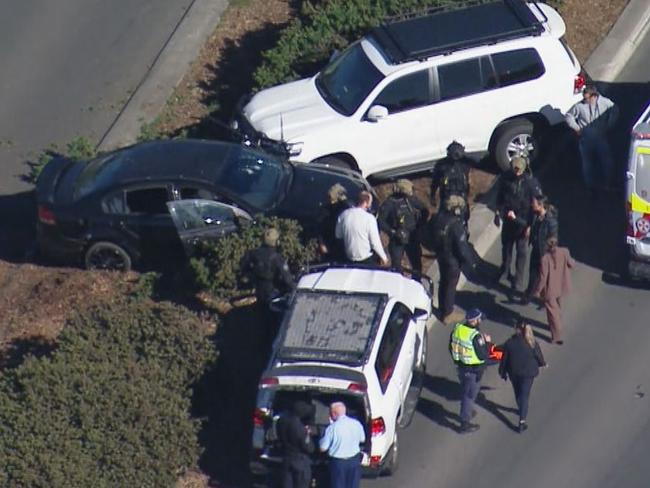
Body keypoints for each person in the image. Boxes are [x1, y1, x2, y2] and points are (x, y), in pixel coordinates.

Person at [494, 156, 542, 294]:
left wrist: (530, 226)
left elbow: (537, 207)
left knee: (521, 253)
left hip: (523, 222)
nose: (516, 172)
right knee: (506, 248)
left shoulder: (531, 184)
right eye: (514, 169)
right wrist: (497, 213)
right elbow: (500, 196)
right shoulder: (506, 178)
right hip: (508, 221)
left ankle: (519, 279)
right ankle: (504, 270)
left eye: (519, 170)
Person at [565, 84, 619, 194]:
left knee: (607, 161)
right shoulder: (579, 106)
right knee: (587, 164)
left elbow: (615, 109)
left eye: (587, 98)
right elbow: (568, 116)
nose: (584, 100)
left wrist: (609, 124)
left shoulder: (604, 102)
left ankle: (608, 183)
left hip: (600, 138)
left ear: (594, 97)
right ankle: (590, 186)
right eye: (584, 98)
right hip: (586, 140)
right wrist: (577, 128)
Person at [432, 195, 476, 324]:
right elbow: (462, 249)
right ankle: (448, 313)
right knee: (450, 286)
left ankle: (442, 308)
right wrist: (471, 263)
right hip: (452, 261)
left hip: (441, 256)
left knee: (443, 282)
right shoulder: (456, 225)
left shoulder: (438, 218)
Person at [498, 320, 547, 433]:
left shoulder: (509, 343)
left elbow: (504, 360)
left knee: (518, 393)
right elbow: (538, 355)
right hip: (528, 373)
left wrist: (502, 372)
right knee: (525, 395)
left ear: (516, 329)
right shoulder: (531, 342)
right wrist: (543, 363)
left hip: (514, 373)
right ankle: (522, 421)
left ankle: (521, 409)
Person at [449, 308, 491, 433]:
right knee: (469, 395)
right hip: (473, 371)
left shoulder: (458, 330)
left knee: (466, 390)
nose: (480, 321)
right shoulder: (475, 336)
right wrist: (487, 343)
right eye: (479, 319)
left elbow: (450, 347)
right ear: (474, 321)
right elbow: (483, 355)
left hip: (461, 368)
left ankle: (467, 411)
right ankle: (464, 423)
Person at [378, 179, 428, 273]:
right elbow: (380, 220)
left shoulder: (410, 200)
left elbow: (425, 210)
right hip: (396, 238)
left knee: (416, 264)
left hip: (412, 236)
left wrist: (419, 225)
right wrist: (391, 232)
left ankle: (417, 283)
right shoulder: (389, 203)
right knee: (396, 266)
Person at [532, 237, 575, 345]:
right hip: (561, 285)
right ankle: (557, 324)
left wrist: (537, 290)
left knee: (552, 313)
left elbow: (543, 277)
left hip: (550, 289)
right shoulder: (565, 251)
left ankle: (557, 335)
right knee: (558, 307)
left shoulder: (545, 259)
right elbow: (571, 264)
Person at [319, 402, 366, 488]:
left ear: (333, 413)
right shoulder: (356, 424)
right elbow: (362, 439)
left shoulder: (332, 428)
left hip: (338, 463)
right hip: (354, 461)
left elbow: (323, 448)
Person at [335, 191, 388, 266]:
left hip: (349, 259)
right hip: (366, 259)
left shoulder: (343, 215)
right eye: (370, 202)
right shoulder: (369, 218)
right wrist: (384, 257)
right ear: (366, 202)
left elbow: (338, 235)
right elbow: (375, 242)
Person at [523, 194, 559, 304]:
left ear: (540, 205)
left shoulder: (551, 222)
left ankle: (550, 300)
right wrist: (529, 228)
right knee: (533, 275)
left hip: (545, 254)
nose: (531, 205)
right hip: (536, 250)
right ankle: (528, 295)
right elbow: (530, 222)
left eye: (533, 203)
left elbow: (553, 240)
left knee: (546, 279)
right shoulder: (535, 215)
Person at [430, 140, 472, 227]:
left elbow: (479, 161)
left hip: (462, 197)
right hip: (446, 198)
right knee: (443, 222)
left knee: (464, 219)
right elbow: (435, 182)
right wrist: (432, 196)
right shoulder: (442, 165)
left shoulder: (465, 163)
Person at [277, 400, 316, 488]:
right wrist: (308, 434)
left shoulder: (281, 420)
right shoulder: (299, 427)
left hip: (286, 457)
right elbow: (309, 448)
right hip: (299, 461)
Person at [318, 183, 352, 262]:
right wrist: (322, 243)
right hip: (330, 245)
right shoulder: (327, 210)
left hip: (341, 247)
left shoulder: (346, 208)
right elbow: (320, 227)